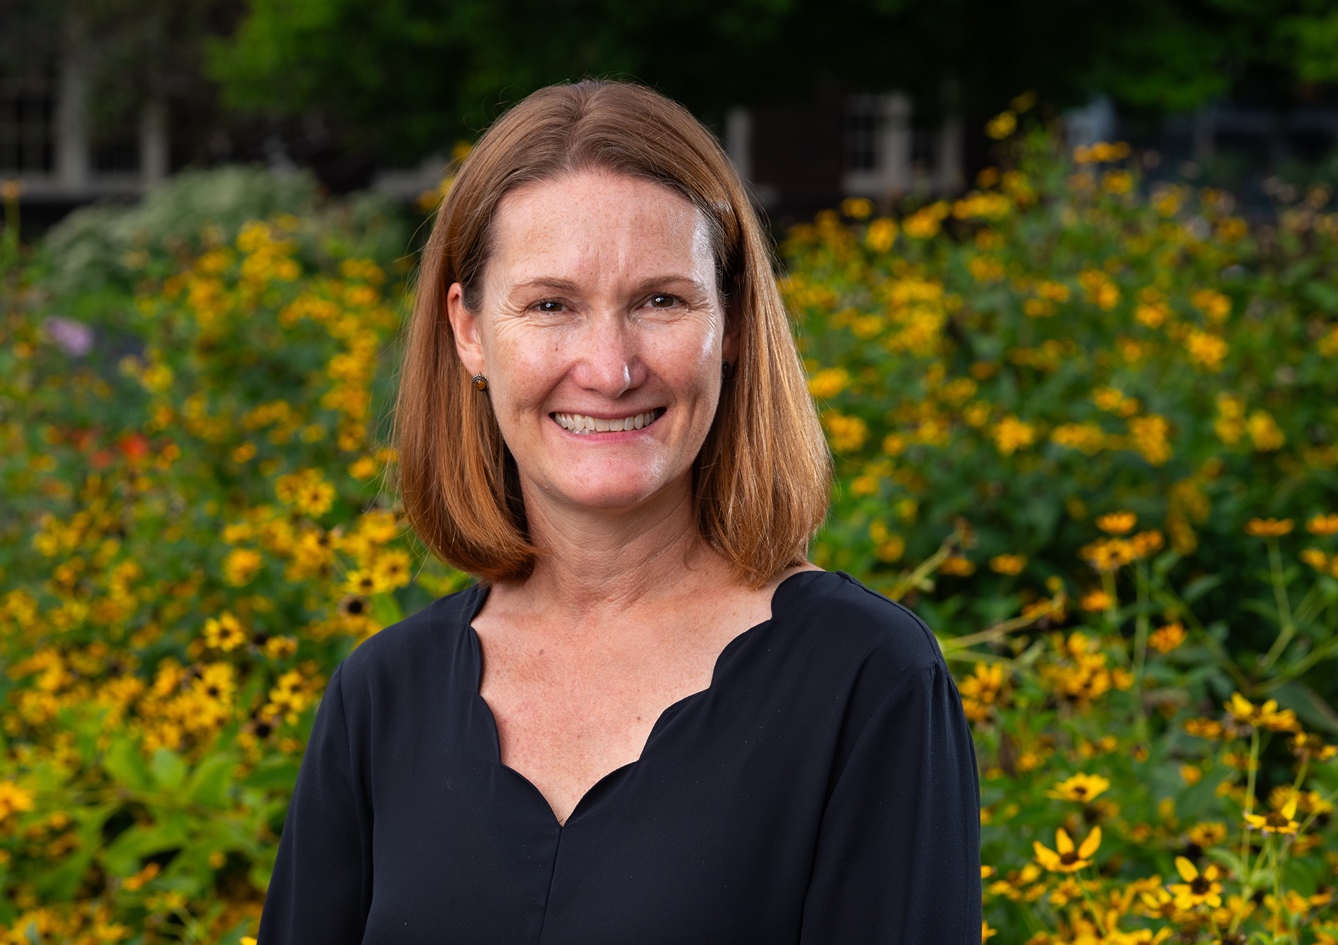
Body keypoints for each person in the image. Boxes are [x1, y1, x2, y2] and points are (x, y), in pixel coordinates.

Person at [256, 79, 982, 944]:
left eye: (660, 301)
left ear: (736, 322)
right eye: (552, 305)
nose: (609, 366)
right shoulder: (381, 699)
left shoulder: (865, 682)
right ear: (470, 330)